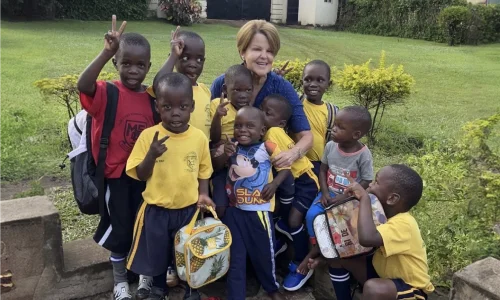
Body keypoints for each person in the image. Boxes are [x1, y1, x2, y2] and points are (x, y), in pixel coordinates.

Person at [77, 15, 156, 300]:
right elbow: (83, 84)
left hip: (146, 177)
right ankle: (120, 281)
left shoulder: (150, 99)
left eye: (140, 65)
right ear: (116, 64)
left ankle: (146, 276)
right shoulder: (106, 92)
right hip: (115, 178)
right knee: (120, 229)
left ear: (148, 66)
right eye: (126, 63)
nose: (133, 70)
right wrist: (106, 51)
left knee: (146, 226)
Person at [126, 73, 215, 300]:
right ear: (157, 107)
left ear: (192, 107)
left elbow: (204, 169)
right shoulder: (149, 137)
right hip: (156, 210)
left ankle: (191, 289)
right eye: (167, 107)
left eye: (182, 106)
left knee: (187, 252)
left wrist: (203, 194)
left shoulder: (198, 138)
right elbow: (140, 174)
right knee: (157, 253)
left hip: (188, 210)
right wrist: (151, 155)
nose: (175, 113)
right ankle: (158, 288)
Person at [307, 165, 435, 300]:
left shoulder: (405, 223)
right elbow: (347, 240)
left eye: (376, 182)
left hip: (411, 289)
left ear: (392, 199)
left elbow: (366, 238)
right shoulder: (379, 215)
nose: (370, 185)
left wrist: (364, 199)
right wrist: (324, 258)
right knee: (340, 258)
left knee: (373, 288)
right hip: (384, 276)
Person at [210, 20, 313, 170]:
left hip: (267, 170)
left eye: (270, 51)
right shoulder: (223, 83)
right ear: (242, 52)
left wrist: (291, 154)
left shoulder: (281, 87)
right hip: (225, 166)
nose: (264, 56)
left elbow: (307, 137)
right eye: (257, 49)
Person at [212, 107, 290, 300]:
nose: (242, 130)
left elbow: (286, 168)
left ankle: (271, 288)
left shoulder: (269, 146)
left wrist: (274, 184)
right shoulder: (231, 146)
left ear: (262, 131)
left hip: (259, 212)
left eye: (249, 126)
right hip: (234, 212)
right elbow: (215, 167)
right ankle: (235, 295)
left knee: (264, 254)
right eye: (238, 126)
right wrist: (225, 154)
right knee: (235, 257)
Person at [300, 106, 374, 299]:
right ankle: (317, 245)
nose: (333, 129)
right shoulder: (331, 146)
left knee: (342, 229)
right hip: (328, 193)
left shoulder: (363, 154)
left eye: (340, 127)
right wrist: (324, 192)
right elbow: (323, 170)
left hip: (349, 200)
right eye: (334, 125)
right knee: (311, 216)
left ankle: (322, 254)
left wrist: (343, 197)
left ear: (356, 134)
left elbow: (366, 181)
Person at [260, 95, 320, 291]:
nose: (261, 114)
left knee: (294, 220)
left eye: (267, 113)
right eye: (261, 109)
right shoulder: (270, 131)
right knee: (281, 215)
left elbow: (282, 166)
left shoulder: (272, 132)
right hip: (296, 179)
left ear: (281, 122)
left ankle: (300, 262)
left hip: (305, 180)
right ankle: (282, 238)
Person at [149, 27, 211, 139]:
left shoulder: (205, 90)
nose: (193, 64)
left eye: (199, 59)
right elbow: (158, 85)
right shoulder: (170, 88)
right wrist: (174, 55)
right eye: (185, 58)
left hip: (199, 151)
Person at [210, 64, 253, 218]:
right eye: (237, 90)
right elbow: (214, 138)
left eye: (248, 90)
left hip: (242, 158)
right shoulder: (218, 104)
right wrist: (217, 116)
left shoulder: (251, 110)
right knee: (220, 207)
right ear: (225, 89)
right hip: (222, 159)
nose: (243, 95)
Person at [300, 60, 335, 176]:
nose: (313, 84)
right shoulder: (295, 103)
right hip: (295, 159)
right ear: (302, 81)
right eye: (308, 79)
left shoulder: (333, 112)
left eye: (320, 80)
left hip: (318, 165)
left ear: (328, 84)